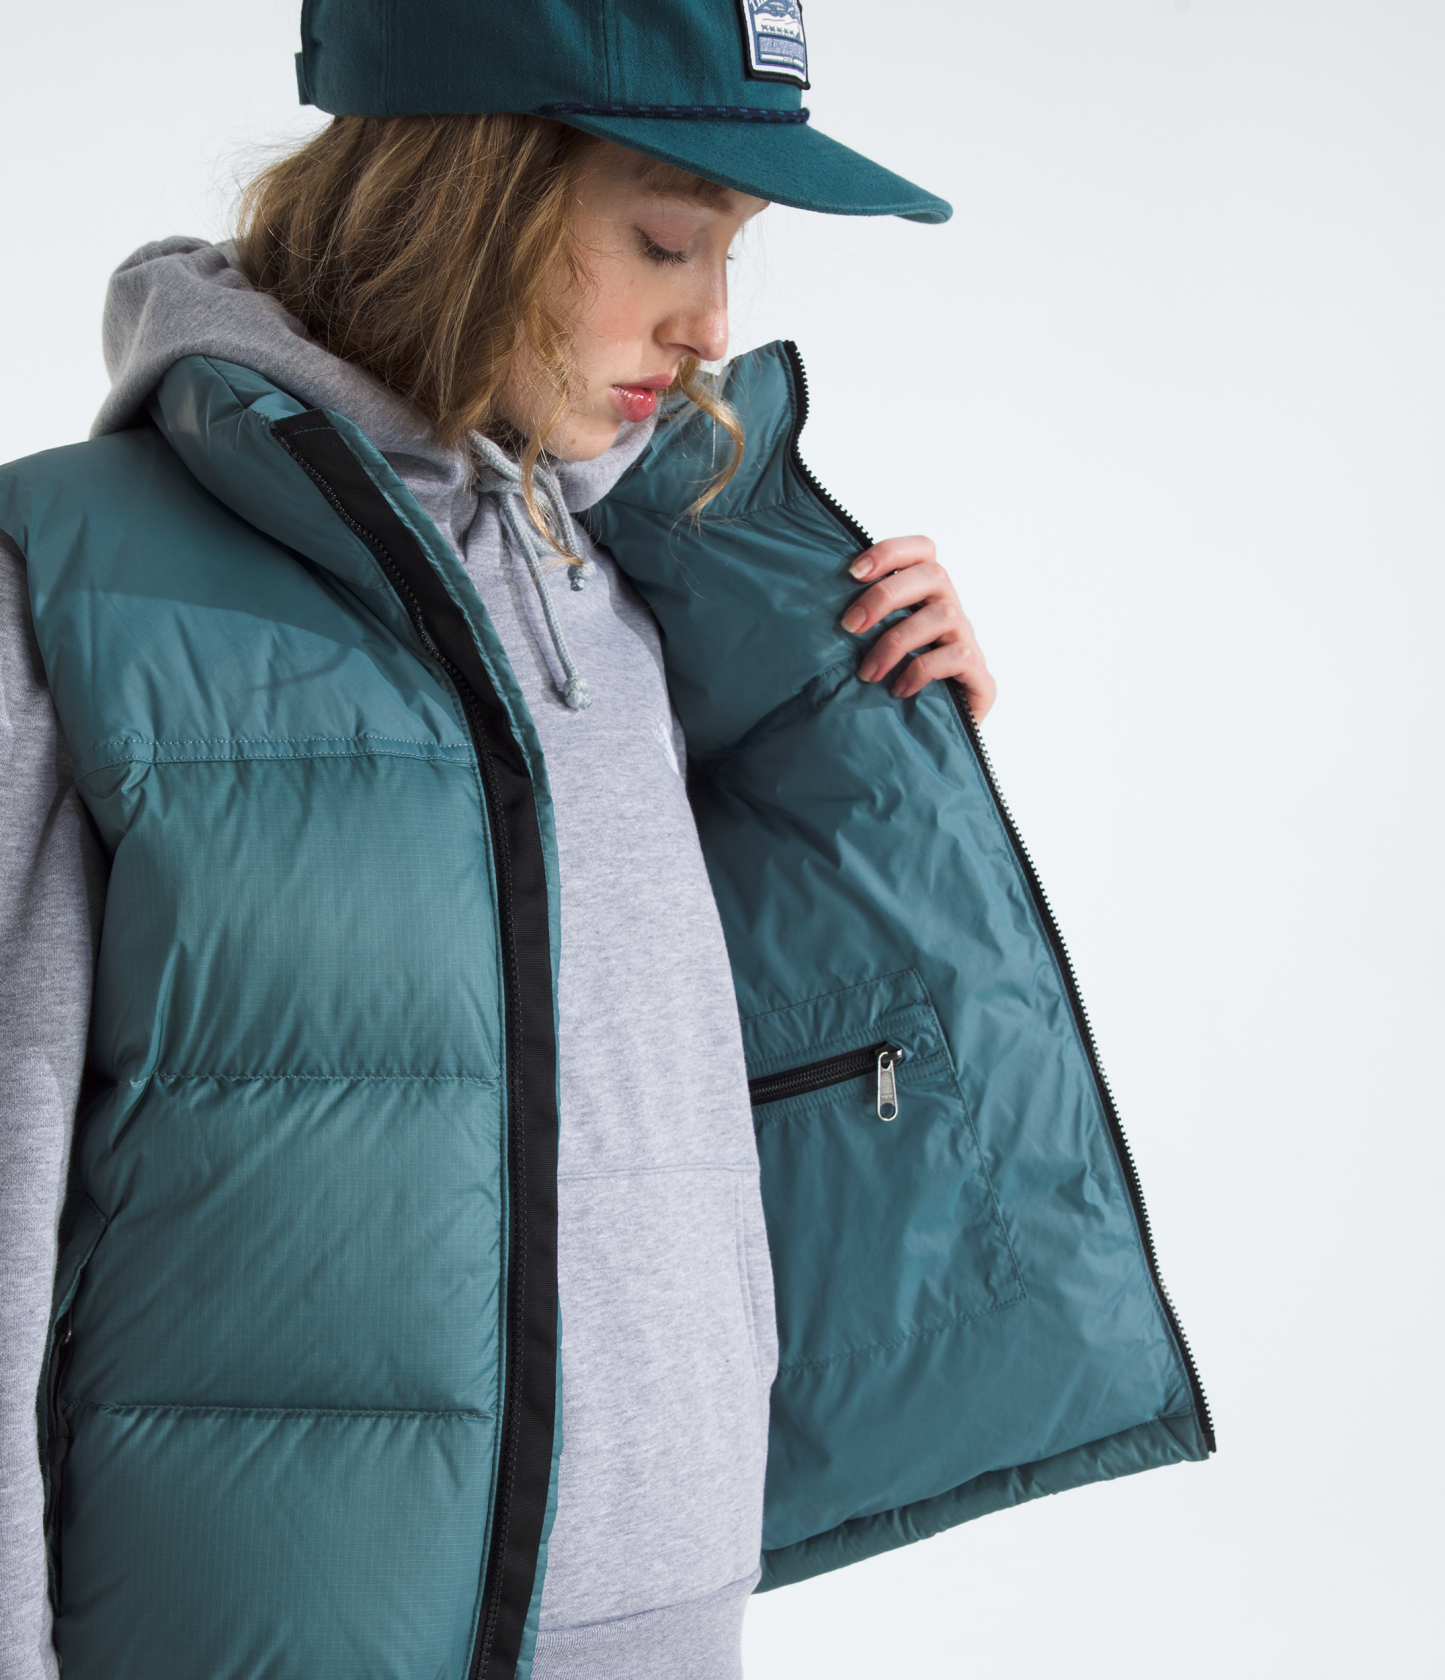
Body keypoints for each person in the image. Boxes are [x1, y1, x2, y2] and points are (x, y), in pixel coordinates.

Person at [0, 5, 1211, 1680]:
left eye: (732, 252)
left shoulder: (633, 582)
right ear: (464, 192)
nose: (711, 326)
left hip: (669, 1614)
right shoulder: (82, 588)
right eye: (662, 240)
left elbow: (658, 1036)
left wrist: (868, 726)